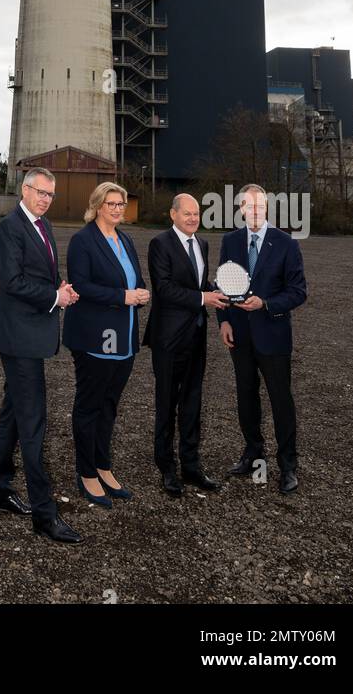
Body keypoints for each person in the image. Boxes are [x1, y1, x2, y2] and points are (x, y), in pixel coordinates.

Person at [0, 167, 82, 543]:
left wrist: (59, 287)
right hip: (19, 339)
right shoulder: (10, 228)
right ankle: (44, 515)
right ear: (24, 190)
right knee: (33, 423)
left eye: (49, 194)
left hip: (31, 333)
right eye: (39, 192)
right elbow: (11, 282)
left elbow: (37, 275)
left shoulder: (42, 226)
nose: (44, 199)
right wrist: (54, 298)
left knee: (13, 415)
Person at [62, 181, 149, 507]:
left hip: (124, 339)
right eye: (110, 203)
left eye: (120, 204)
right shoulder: (83, 241)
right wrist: (123, 296)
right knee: (89, 406)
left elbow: (134, 280)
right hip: (94, 339)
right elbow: (82, 286)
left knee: (110, 406)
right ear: (97, 205)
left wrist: (139, 294)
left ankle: (103, 465)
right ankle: (86, 472)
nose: (116, 209)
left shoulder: (124, 239)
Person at [217, 183, 307, 494]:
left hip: (273, 335)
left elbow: (298, 291)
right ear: (240, 209)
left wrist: (266, 304)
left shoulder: (286, 243)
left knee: (281, 401)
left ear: (266, 208)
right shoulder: (230, 242)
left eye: (259, 207)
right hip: (240, 336)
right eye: (247, 206)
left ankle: (288, 466)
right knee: (246, 396)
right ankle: (253, 455)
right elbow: (223, 285)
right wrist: (224, 321)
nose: (253, 212)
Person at [143, 193, 228, 495]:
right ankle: (166, 468)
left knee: (192, 404)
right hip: (168, 339)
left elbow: (198, 283)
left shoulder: (202, 244)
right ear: (173, 214)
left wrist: (217, 290)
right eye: (187, 213)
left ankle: (191, 466)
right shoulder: (160, 244)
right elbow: (164, 289)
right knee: (167, 404)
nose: (193, 218)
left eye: (197, 213)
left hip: (196, 336)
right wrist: (203, 298)